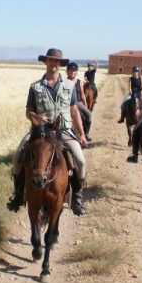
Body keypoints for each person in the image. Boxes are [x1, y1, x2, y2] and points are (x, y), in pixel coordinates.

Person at [8, 48, 88, 216]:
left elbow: (74, 110)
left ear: (60, 64)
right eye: (50, 60)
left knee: (80, 160)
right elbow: (28, 111)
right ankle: (18, 195)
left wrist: (81, 133)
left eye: (56, 61)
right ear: (46, 62)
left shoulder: (68, 86)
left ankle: (77, 197)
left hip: (63, 130)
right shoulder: (35, 87)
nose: (53, 63)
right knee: (17, 157)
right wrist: (35, 117)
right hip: (41, 131)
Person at [66, 62, 92, 142]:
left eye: (74, 70)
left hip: (78, 102)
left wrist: (85, 106)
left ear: (76, 72)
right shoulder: (64, 81)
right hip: (68, 103)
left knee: (88, 115)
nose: (72, 72)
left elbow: (82, 95)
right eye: (71, 70)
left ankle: (86, 133)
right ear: (67, 71)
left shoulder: (79, 82)